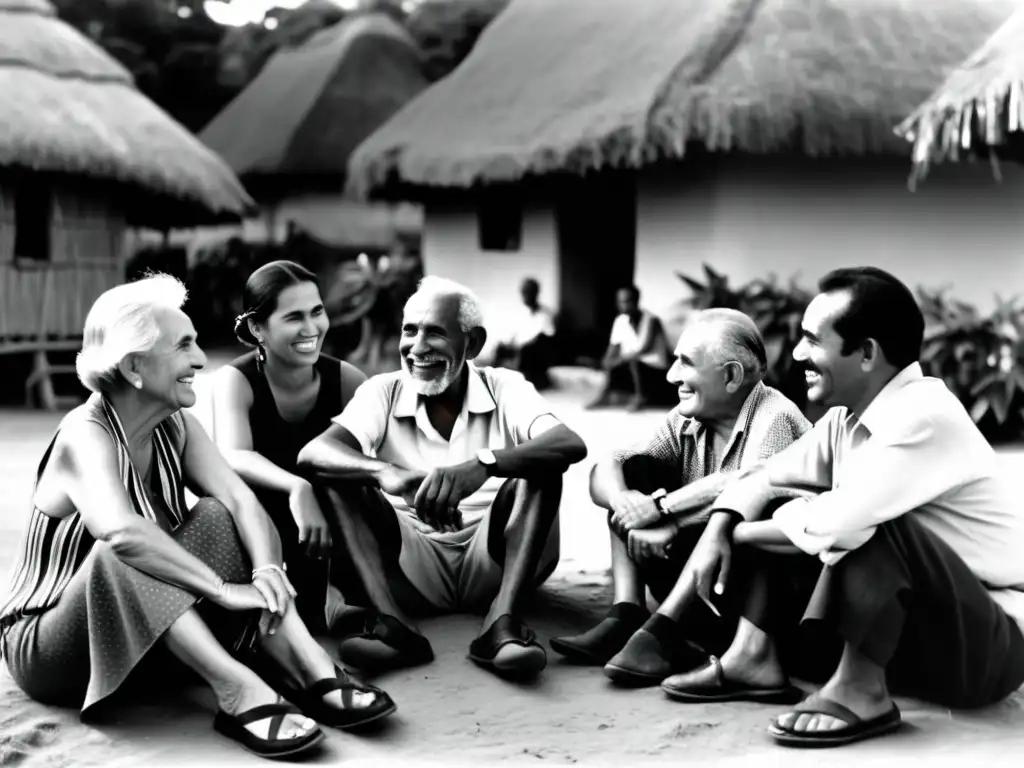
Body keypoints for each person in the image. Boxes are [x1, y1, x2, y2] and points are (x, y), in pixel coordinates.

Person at [0, 275, 395, 761]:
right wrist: (224, 591)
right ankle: (237, 692)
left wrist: (268, 573)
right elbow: (122, 533)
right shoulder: (84, 433)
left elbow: (241, 500)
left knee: (217, 513)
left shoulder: (177, 425)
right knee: (123, 548)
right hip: (51, 648)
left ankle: (308, 663)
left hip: (146, 624)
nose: (201, 358)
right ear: (134, 366)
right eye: (183, 345)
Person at [660, 267, 1024, 748]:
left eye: (813, 340)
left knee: (855, 521)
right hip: (912, 633)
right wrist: (718, 528)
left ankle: (860, 690)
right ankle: (754, 657)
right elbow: (762, 477)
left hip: (984, 648)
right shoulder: (843, 421)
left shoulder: (925, 415)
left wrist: (739, 535)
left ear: (867, 353)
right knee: (773, 515)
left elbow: (839, 525)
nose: (797, 354)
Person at [297, 276, 588, 679]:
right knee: (335, 474)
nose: (417, 348)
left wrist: (484, 464)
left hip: (499, 562)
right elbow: (313, 453)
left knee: (540, 465)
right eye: (409, 331)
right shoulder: (382, 391)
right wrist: (386, 472)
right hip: (409, 568)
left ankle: (500, 624)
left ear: (473, 344)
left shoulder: (505, 386)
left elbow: (569, 443)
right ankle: (394, 625)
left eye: (435, 333)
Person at [550, 309, 809, 685]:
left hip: (759, 601)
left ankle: (664, 633)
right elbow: (609, 465)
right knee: (635, 470)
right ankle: (627, 614)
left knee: (757, 503)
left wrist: (662, 513)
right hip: (703, 583)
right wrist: (627, 503)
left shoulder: (775, 416)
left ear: (732, 376)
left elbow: (744, 486)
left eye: (685, 363)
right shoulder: (686, 417)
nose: (671, 376)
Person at [211, 261, 368, 634]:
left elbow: (370, 465)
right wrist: (298, 487)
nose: (311, 328)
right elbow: (234, 455)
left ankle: (337, 597)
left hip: (331, 535)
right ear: (257, 328)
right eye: (293, 317)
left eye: (317, 311)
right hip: (261, 534)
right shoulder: (236, 380)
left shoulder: (348, 381)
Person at [588, 286, 674, 411]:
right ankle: (605, 397)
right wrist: (606, 362)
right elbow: (613, 346)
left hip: (655, 368)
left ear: (636, 301)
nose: (623, 305)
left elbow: (644, 348)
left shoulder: (651, 320)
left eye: (627, 301)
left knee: (633, 362)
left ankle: (640, 398)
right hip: (632, 365)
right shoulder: (620, 321)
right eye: (620, 302)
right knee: (613, 364)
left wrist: (619, 359)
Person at [494, 277, 557, 389]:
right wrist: (507, 344)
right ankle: (494, 382)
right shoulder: (519, 313)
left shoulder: (545, 314)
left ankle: (525, 379)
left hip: (535, 351)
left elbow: (547, 336)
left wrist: (525, 345)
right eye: (524, 292)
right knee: (499, 348)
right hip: (518, 349)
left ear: (536, 293)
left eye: (528, 291)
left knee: (528, 350)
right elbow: (511, 336)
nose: (525, 295)